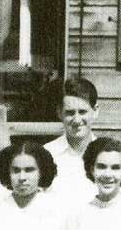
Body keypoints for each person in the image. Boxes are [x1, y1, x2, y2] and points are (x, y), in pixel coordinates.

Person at [42, 77, 99, 209]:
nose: (77, 120)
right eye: (70, 113)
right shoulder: (46, 154)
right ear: (59, 113)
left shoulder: (106, 155)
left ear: (95, 111)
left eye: (83, 112)